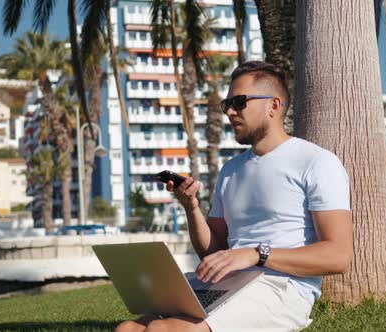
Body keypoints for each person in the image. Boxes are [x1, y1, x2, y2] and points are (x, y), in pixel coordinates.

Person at [115, 61, 353, 332]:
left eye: (239, 102)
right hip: (227, 282)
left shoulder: (316, 162)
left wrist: (256, 254)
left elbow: (338, 256)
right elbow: (214, 249)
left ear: (274, 106)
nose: (229, 111)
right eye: (227, 104)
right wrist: (191, 207)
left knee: (163, 330)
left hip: (282, 288)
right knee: (128, 328)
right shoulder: (231, 170)